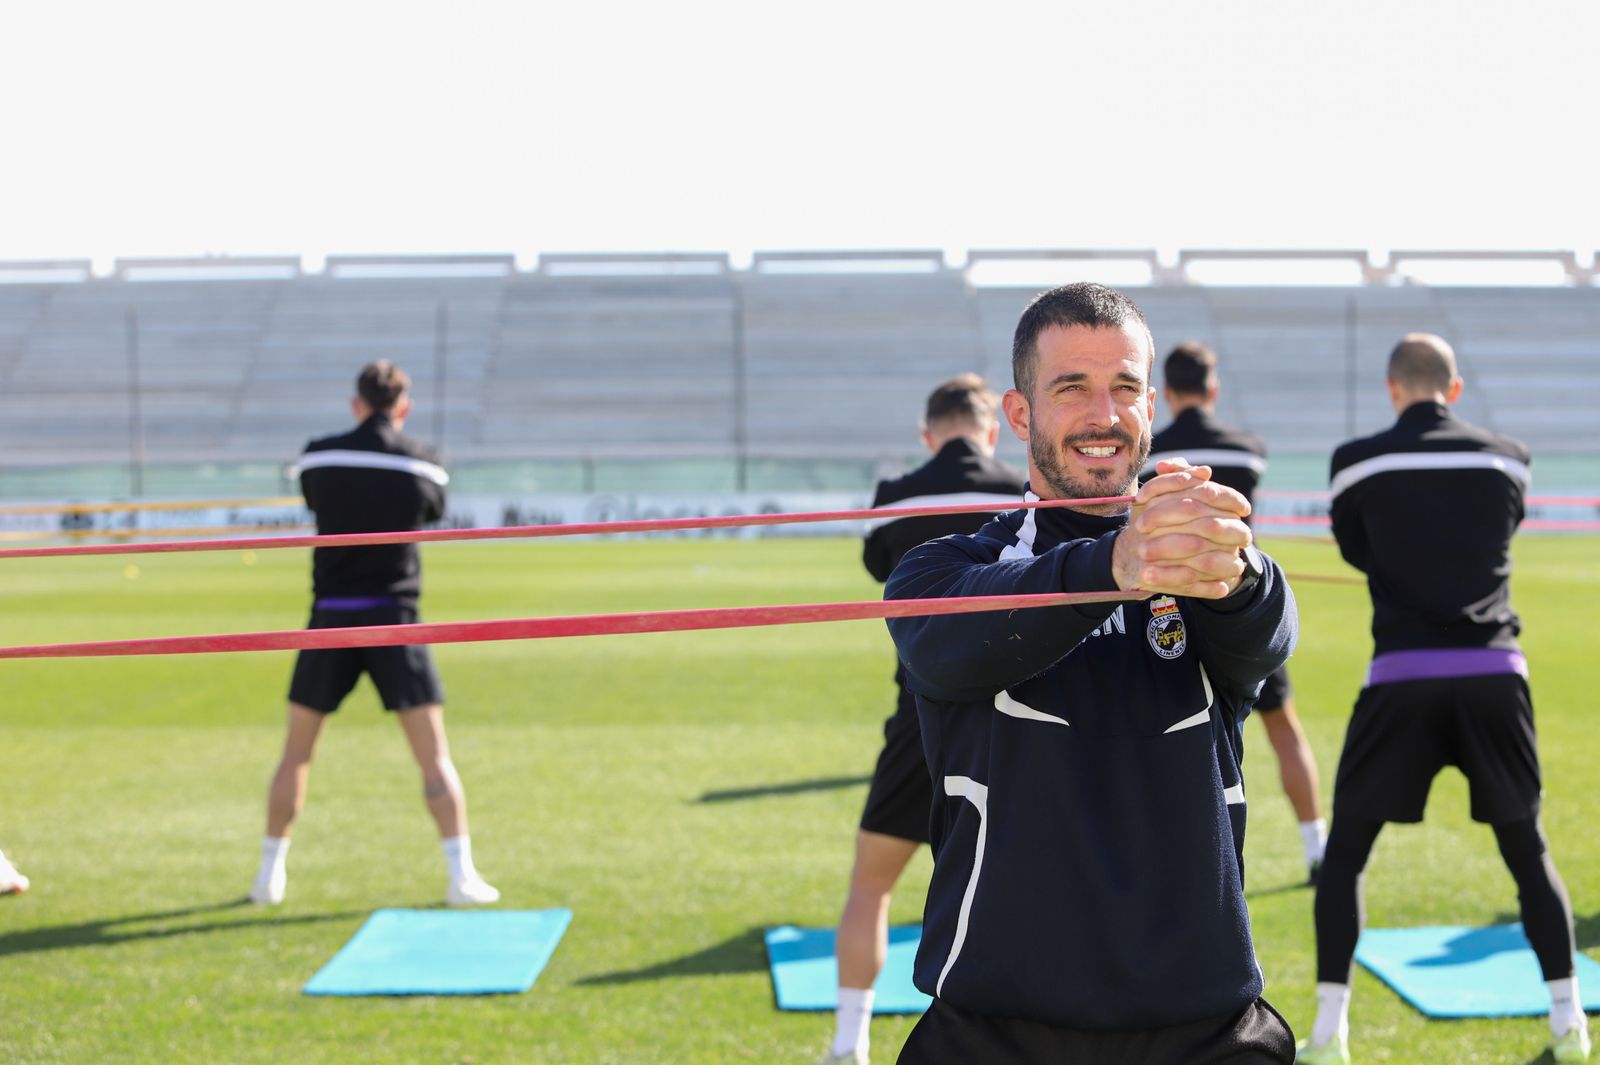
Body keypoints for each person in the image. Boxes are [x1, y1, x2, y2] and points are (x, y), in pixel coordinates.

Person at [883, 283, 1298, 1064]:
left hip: (1207, 1027)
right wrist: (1112, 561)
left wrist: (1238, 568)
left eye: (1125, 388)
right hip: (998, 1029)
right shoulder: (947, 567)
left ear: (1149, 408)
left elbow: (1266, 634)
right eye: (1071, 387)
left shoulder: (1206, 566)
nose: (1103, 414)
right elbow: (947, 641)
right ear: (1019, 415)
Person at [1298, 334, 1585, 1065]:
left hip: (1402, 675)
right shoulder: (1507, 455)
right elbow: (1497, 532)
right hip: (1495, 672)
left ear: (1394, 389)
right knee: (1528, 850)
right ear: (1451, 389)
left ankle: (1330, 1034)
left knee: (1348, 858)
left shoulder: (1355, 460)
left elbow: (1358, 550)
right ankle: (1570, 1021)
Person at [819, 374, 1026, 1065]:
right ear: (992, 428)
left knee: (871, 883)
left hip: (920, 714)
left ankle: (849, 1045)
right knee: (1021, 892)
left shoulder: (894, 497)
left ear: (927, 434)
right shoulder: (1025, 492)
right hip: (1015, 721)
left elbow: (881, 568)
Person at [250, 360, 498, 908]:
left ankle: (269, 874)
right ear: (403, 407)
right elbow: (432, 510)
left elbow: (315, 497)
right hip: (394, 619)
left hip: (330, 619)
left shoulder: (321, 454)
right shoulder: (425, 463)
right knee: (433, 757)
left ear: (356, 403)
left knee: (297, 753)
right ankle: (461, 875)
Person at [1144, 340, 1327, 884]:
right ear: (1213, 388)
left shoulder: (1151, 453)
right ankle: (1316, 847)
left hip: (1168, 612)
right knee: (1283, 729)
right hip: (1239, 606)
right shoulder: (1248, 449)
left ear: (1167, 393)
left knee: (1158, 734)